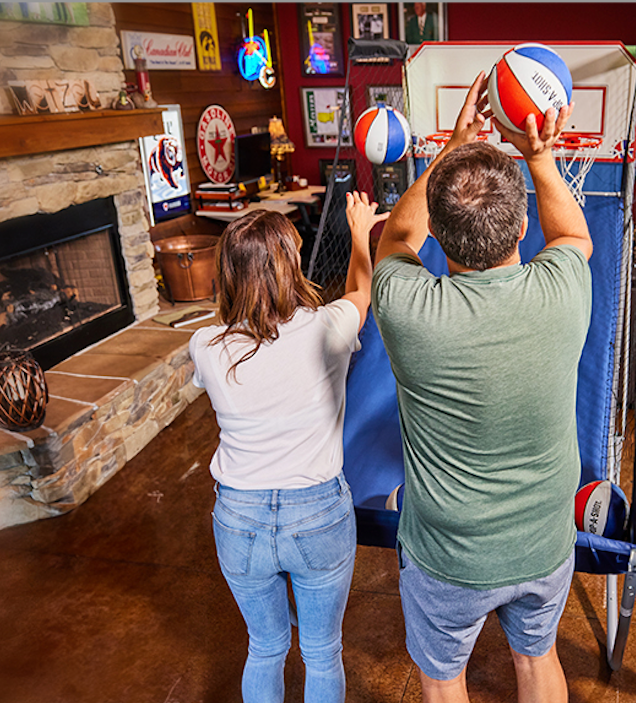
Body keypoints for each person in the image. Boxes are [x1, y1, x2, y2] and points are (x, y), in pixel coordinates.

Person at [371, 72, 592, 702]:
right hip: (543, 540)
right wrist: (538, 155)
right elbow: (573, 237)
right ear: (522, 227)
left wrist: (450, 150)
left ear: (439, 238)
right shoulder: (564, 289)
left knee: (443, 682)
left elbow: (395, 239)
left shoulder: (408, 308)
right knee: (538, 658)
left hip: (448, 554)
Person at [190, 193, 389, 703]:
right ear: (289, 266)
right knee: (321, 653)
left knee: (264, 648)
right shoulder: (327, 328)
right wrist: (360, 233)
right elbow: (362, 289)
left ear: (228, 273)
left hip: (239, 518)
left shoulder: (205, 345)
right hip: (317, 514)